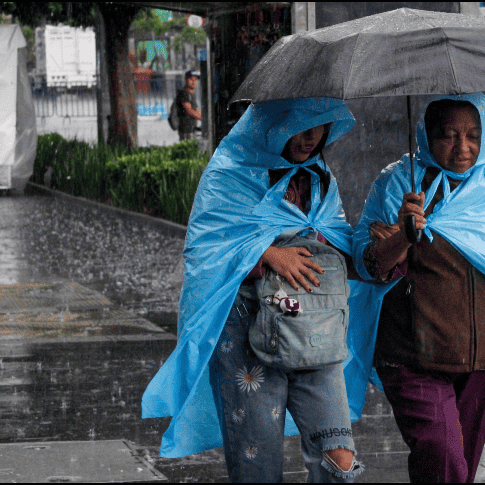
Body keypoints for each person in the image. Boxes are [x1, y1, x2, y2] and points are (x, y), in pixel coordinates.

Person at [142, 98, 364, 483]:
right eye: (298, 124)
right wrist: (268, 254)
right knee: (257, 466)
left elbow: (341, 241)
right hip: (246, 334)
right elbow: (207, 248)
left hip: (315, 334)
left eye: (319, 124)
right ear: (272, 122)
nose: (310, 137)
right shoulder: (231, 173)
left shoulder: (319, 176)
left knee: (339, 458)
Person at [346, 93, 485, 483]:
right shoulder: (397, 183)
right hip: (413, 356)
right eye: (448, 136)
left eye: (473, 135)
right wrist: (403, 235)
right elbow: (366, 264)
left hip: (484, 357)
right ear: (426, 136)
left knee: (458, 467)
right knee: (444, 458)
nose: (464, 147)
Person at [175, 70, 202, 141]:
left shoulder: (191, 94)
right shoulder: (184, 94)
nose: (194, 82)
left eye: (196, 79)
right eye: (191, 79)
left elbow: (196, 109)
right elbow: (189, 111)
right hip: (186, 130)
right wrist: (203, 118)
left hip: (192, 129)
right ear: (186, 79)